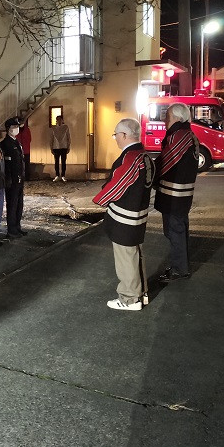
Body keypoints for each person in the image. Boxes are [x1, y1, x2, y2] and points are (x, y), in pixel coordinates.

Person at [92, 118, 154, 311]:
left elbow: (117, 185)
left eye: (116, 135)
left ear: (125, 135)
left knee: (126, 257)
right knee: (135, 254)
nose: (115, 139)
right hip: (139, 213)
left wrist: (99, 200)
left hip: (124, 216)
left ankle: (129, 298)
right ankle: (141, 293)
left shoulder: (131, 157)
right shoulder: (145, 156)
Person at [154, 103, 199, 283]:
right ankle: (179, 265)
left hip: (175, 195)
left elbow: (165, 161)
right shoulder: (188, 135)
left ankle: (180, 269)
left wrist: (147, 175)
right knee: (178, 230)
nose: (166, 120)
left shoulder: (179, 137)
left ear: (178, 119)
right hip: (181, 194)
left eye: (169, 117)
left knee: (175, 231)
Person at [0, 117, 27, 239]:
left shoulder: (16, 142)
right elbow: (7, 164)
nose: (16, 129)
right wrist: (9, 179)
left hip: (20, 178)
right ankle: (11, 229)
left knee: (19, 204)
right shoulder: (6, 144)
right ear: (8, 129)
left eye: (17, 127)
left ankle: (17, 227)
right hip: (12, 180)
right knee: (12, 204)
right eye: (14, 127)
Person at [50, 115, 71, 181]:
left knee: (63, 162)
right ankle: (57, 175)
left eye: (60, 120)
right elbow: (51, 139)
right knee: (56, 162)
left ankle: (63, 175)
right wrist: (51, 148)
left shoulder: (65, 127)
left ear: (62, 120)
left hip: (64, 146)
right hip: (56, 147)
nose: (58, 121)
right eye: (57, 120)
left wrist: (68, 147)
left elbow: (68, 138)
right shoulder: (53, 128)